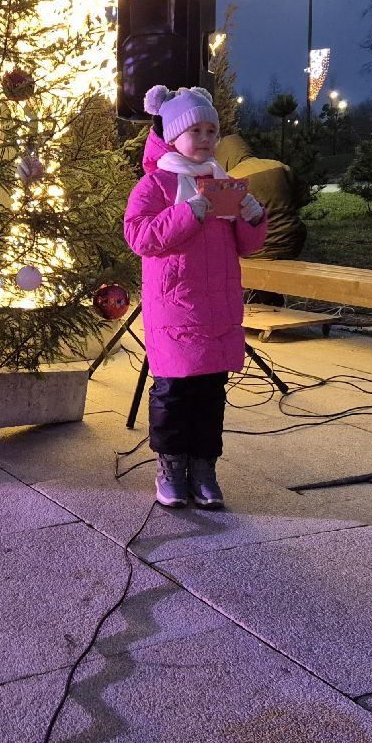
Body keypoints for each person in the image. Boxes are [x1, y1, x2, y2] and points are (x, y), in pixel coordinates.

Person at [124, 85, 268, 509]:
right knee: (173, 392)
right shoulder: (157, 184)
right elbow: (139, 236)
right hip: (175, 308)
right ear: (172, 136)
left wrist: (253, 218)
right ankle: (170, 466)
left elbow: (245, 245)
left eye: (211, 130)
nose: (205, 138)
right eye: (195, 130)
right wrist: (186, 213)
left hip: (218, 308)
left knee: (210, 393)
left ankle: (204, 467)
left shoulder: (224, 183)